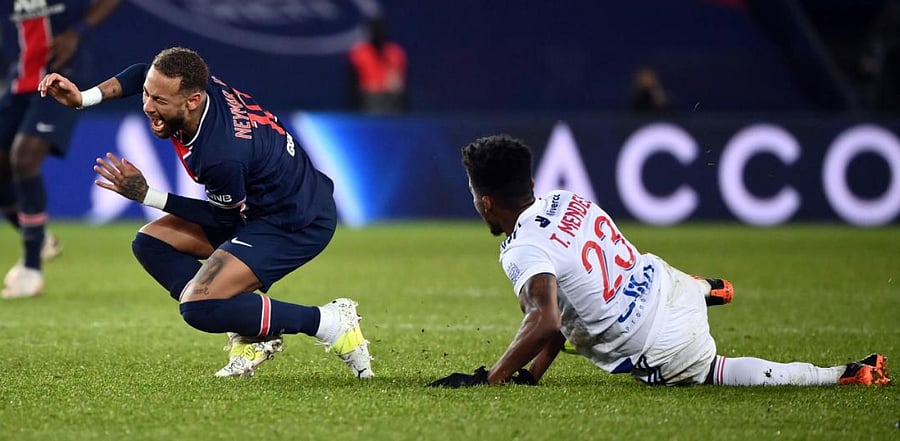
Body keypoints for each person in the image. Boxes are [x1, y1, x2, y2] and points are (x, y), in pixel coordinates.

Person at [428, 134, 890, 388]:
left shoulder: (523, 249)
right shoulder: (565, 199)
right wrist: (531, 376)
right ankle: (707, 288)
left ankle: (840, 374)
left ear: (486, 202)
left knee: (714, 372)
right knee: (616, 288)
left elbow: (546, 320)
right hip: (665, 282)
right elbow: (564, 314)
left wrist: (493, 379)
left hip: (659, 340)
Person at [38, 47, 374, 379]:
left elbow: (223, 221)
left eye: (159, 102)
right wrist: (83, 98)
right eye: (147, 96)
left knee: (200, 307)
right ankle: (253, 332)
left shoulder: (220, 153)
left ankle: (330, 322)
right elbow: (144, 71)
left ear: (192, 101)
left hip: (294, 221)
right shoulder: (192, 91)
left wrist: (147, 195)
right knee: (151, 244)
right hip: (263, 207)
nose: (147, 107)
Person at [1, 0, 121, 298]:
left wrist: (77, 31)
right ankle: (38, 236)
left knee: (24, 159)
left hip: (60, 76)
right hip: (18, 80)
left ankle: (31, 269)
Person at [347, 16, 408, 114]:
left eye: (380, 31)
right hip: (369, 98)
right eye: (374, 31)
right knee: (371, 99)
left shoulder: (395, 52)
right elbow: (353, 83)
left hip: (391, 98)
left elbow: (399, 82)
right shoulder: (359, 53)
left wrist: (392, 86)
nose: (377, 34)